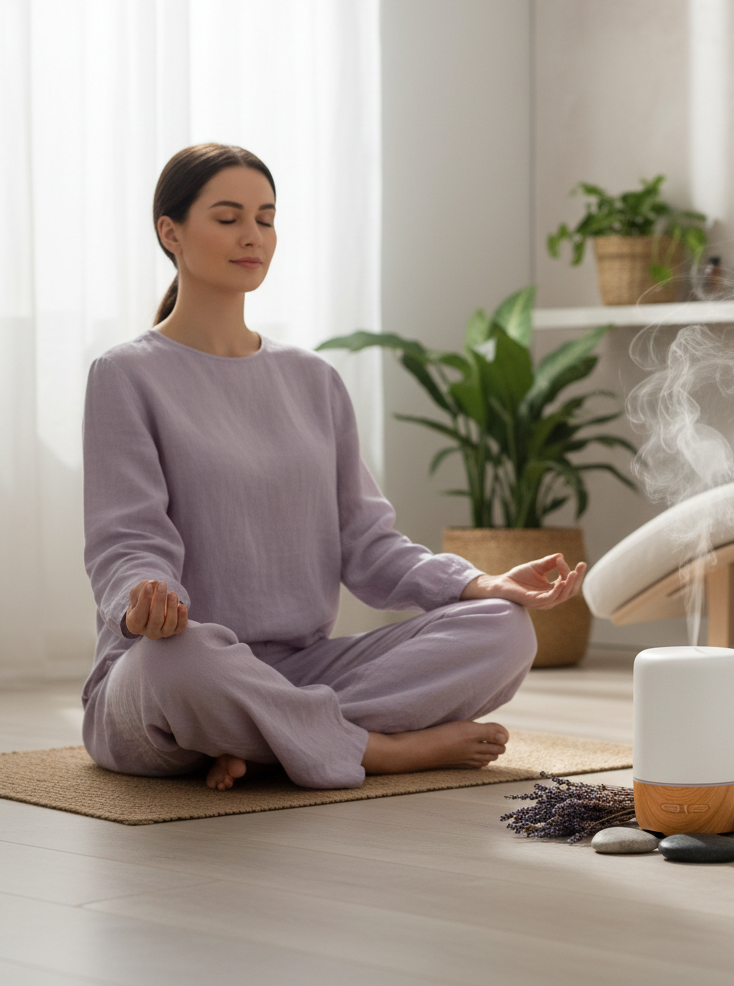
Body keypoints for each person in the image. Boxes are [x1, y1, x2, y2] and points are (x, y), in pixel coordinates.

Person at [82, 143, 586, 791]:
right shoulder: (125, 373)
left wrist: (482, 584)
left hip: (306, 669)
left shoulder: (313, 379)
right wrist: (145, 605)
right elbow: (127, 539)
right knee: (176, 665)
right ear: (170, 232)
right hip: (183, 668)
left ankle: (266, 741)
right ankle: (378, 748)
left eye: (266, 218)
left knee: (505, 632)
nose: (253, 236)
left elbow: (369, 548)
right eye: (229, 217)